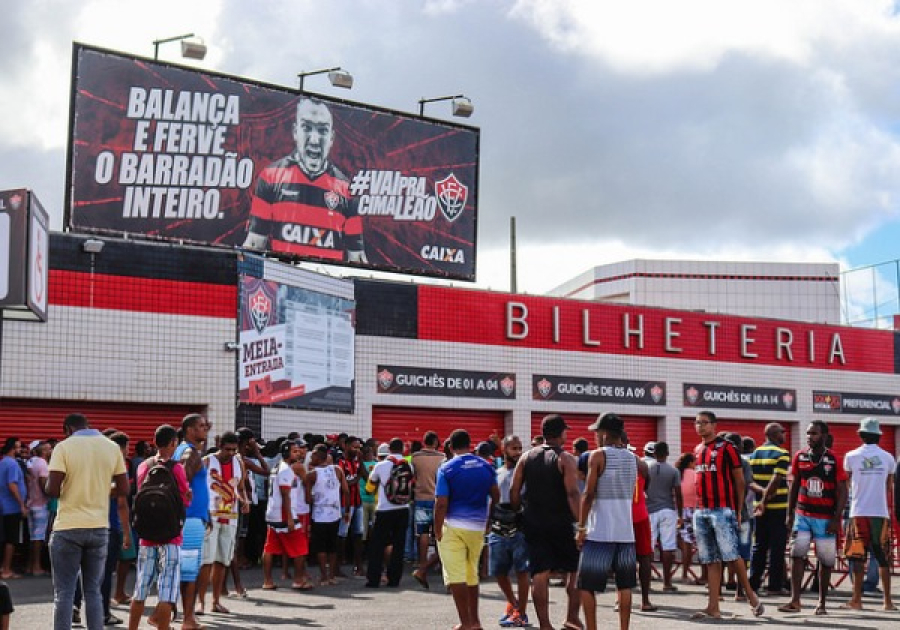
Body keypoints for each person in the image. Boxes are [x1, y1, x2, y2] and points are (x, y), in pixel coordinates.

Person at [243, 97, 367, 263]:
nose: (314, 140)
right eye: (307, 128)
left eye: (322, 130)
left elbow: (356, 258)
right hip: (283, 281)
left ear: (331, 137)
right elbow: (254, 244)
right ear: (295, 132)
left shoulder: (346, 188)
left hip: (327, 284)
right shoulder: (270, 177)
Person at [46, 413, 129, 630]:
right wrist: (102, 491)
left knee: (64, 592)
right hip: (99, 528)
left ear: (67, 429)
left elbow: (52, 490)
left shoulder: (63, 448)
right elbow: (124, 489)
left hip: (68, 528)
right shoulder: (111, 447)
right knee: (93, 591)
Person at [510, 415, 582, 630]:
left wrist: (517, 511)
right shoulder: (566, 459)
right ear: (561, 434)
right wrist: (581, 524)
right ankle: (571, 618)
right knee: (575, 570)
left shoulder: (526, 457)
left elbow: (514, 489)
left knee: (539, 573)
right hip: (561, 523)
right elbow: (572, 493)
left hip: (534, 522)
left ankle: (544, 624)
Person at [690, 411, 763, 620]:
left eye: (704, 423)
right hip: (701, 510)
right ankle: (713, 606)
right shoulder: (698, 449)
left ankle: (751, 597)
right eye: (697, 423)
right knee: (711, 559)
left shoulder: (727, 448)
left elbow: (740, 481)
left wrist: (739, 509)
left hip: (722, 510)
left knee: (732, 555)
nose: (700, 427)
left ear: (714, 425)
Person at [777, 420, 847, 615]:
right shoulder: (799, 457)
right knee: (796, 555)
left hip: (825, 518)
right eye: (808, 433)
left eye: (814, 433)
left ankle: (821, 603)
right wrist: (789, 513)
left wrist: (836, 518)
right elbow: (794, 485)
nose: (810, 437)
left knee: (825, 561)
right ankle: (795, 601)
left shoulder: (833, 460)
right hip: (803, 514)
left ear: (824, 436)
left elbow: (843, 491)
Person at [576, 413, 638, 630]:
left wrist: (581, 527)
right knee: (625, 586)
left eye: (596, 432)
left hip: (599, 531)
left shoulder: (598, 456)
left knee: (586, 586)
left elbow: (588, 494)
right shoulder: (632, 458)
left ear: (603, 434)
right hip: (625, 532)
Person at [434, 429, 499, 630]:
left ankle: (465, 623)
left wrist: (437, 529)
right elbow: (496, 496)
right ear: (470, 445)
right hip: (478, 527)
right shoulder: (486, 466)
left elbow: (441, 503)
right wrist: (489, 520)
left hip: (453, 527)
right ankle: (476, 622)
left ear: (451, 447)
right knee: (472, 574)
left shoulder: (446, 468)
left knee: (456, 577)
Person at [127, 425, 190, 630]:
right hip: (171, 537)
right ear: (173, 443)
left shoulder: (143, 466)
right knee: (167, 592)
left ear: (154, 442)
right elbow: (184, 499)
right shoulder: (176, 468)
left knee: (140, 590)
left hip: (146, 536)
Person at [842, 416, 896, 611]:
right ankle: (888, 602)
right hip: (880, 513)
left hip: (858, 512)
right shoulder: (888, 458)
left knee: (857, 557)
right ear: (879, 436)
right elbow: (889, 486)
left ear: (861, 435)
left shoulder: (851, 456)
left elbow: (847, 483)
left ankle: (857, 600)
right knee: (882, 557)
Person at [198, 431, 248, 615]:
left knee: (222, 560)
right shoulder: (207, 461)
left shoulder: (239, 462)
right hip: (211, 516)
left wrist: (245, 500)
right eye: (228, 449)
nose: (231, 453)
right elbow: (196, 487)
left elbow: (241, 488)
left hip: (231, 517)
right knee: (206, 561)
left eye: (234, 450)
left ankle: (216, 601)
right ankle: (200, 602)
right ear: (220, 446)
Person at [173, 413, 211, 630]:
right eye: (200, 426)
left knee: (185, 569)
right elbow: (183, 481)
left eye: (206, 426)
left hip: (194, 517)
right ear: (189, 430)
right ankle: (188, 619)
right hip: (191, 519)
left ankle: (180, 615)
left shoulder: (183, 450)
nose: (205, 429)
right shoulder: (190, 453)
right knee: (190, 572)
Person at [488, 436, 530, 628]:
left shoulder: (526, 474)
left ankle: (521, 613)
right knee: (498, 572)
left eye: (520, 448)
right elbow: (491, 500)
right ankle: (513, 605)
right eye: (514, 448)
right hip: (497, 527)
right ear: (504, 449)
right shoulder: (495, 473)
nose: (518, 452)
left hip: (520, 528)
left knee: (523, 571)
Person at [262, 439, 313, 591]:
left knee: (269, 548)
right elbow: (286, 494)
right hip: (284, 514)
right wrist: (290, 518)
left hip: (273, 513)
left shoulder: (277, 467)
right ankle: (298, 580)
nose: (298, 454)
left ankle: (268, 581)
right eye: (294, 451)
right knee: (301, 548)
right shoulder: (286, 469)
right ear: (286, 452)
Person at [748, 422, 790, 596]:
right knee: (777, 547)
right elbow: (776, 479)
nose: (785, 435)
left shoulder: (755, 454)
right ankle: (774, 586)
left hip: (758, 509)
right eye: (782, 432)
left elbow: (749, 481)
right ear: (774, 434)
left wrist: (761, 498)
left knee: (759, 546)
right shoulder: (783, 453)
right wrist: (766, 498)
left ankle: (753, 584)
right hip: (777, 507)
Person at [364, 438, 412, 588]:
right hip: (403, 509)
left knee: (377, 545)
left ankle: (374, 579)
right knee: (399, 546)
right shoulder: (409, 465)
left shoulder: (381, 465)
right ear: (403, 449)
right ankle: (394, 579)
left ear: (389, 449)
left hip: (384, 509)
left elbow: (369, 488)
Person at [306, 443, 348, 586]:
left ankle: (324, 576)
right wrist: (346, 510)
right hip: (335, 512)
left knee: (321, 547)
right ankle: (332, 576)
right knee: (332, 545)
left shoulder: (312, 474)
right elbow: (346, 491)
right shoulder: (337, 470)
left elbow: (307, 499)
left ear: (318, 457)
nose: (310, 457)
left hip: (319, 514)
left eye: (312, 455)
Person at [645, 441, 683, 592]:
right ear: (667, 453)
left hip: (649, 511)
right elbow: (678, 494)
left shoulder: (646, 469)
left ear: (654, 453)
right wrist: (679, 513)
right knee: (668, 547)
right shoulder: (674, 471)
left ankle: (645, 582)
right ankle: (667, 582)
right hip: (668, 510)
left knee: (648, 547)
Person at [411, 431, 444, 588]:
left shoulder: (415, 458)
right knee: (438, 532)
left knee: (423, 532)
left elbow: (412, 477)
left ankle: (422, 562)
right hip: (437, 499)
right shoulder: (442, 458)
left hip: (420, 498)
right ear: (436, 442)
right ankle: (439, 563)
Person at [337, 436, 366, 576]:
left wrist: (361, 462)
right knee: (342, 534)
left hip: (358, 502)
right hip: (344, 503)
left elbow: (367, 477)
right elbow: (343, 484)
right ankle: (338, 566)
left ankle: (359, 566)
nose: (357, 450)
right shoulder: (340, 462)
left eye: (359, 447)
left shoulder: (357, 462)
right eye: (354, 447)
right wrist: (357, 478)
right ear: (346, 446)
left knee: (359, 534)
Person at [0, 437, 27, 580]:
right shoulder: (12, 464)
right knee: (11, 539)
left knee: (4, 538)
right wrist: (21, 504)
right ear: (12, 448)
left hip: (4, 506)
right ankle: (6, 570)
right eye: (18, 447)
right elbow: (12, 484)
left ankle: (3, 567)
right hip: (12, 507)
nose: (20, 450)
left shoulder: (3, 462)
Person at [674, 452, 702, 586]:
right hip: (691, 510)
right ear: (690, 462)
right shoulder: (695, 474)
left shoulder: (677, 473)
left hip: (676, 510)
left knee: (680, 542)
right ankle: (690, 573)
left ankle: (680, 573)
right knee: (692, 544)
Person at [26, 440, 51, 576]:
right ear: (43, 451)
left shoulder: (31, 462)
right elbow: (43, 483)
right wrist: (51, 492)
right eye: (48, 449)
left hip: (30, 503)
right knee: (38, 537)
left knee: (32, 537)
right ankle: (36, 567)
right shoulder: (42, 463)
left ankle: (30, 566)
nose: (50, 451)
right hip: (40, 504)